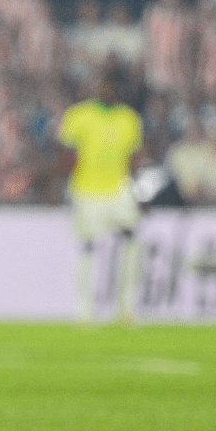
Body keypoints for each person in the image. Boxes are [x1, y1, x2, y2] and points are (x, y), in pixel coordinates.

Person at [58, 64, 144, 323]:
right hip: (87, 189)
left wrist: (138, 193)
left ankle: (126, 307)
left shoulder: (129, 118)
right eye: (100, 84)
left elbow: (134, 159)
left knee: (131, 239)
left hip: (119, 187)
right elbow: (65, 153)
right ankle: (85, 310)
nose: (104, 89)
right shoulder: (79, 115)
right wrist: (62, 185)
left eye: (110, 85)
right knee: (88, 246)